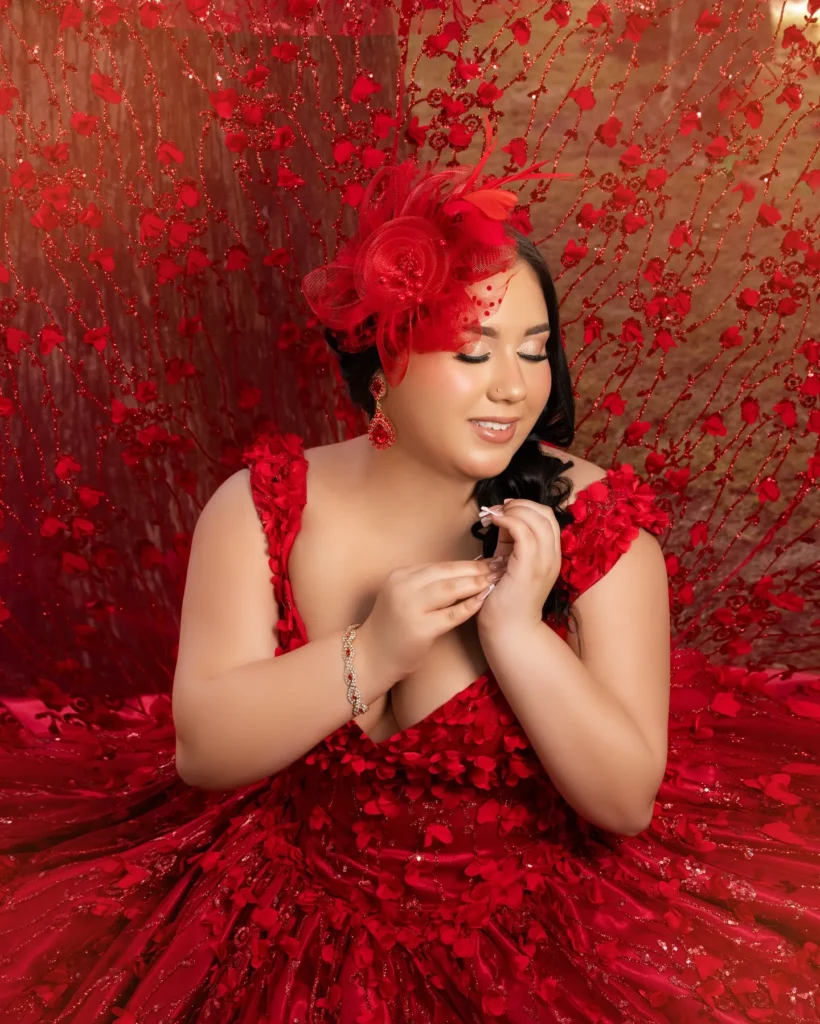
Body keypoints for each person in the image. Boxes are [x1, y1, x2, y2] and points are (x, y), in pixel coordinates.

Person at [1, 128, 818, 1024]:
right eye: (474, 353)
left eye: (535, 349)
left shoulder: (595, 522)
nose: (515, 386)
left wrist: (512, 636)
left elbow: (623, 800)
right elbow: (205, 751)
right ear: (382, 368)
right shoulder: (262, 506)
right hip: (278, 899)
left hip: (531, 930)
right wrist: (372, 650)